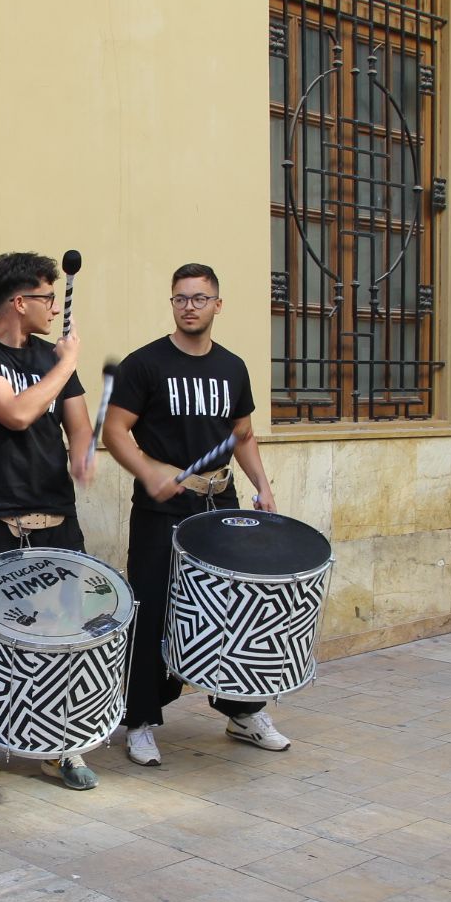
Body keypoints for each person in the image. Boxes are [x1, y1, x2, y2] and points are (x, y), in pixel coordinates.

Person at [101, 264, 286, 765]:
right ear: (173, 303)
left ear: (217, 305)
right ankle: (138, 719)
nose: (190, 306)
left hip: (219, 507)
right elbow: (114, 432)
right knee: (152, 608)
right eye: (181, 298)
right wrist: (148, 469)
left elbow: (242, 435)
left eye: (200, 298)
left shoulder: (233, 367)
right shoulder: (145, 364)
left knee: (234, 610)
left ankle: (242, 710)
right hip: (162, 511)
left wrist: (263, 487)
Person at [0, 252, 98, 795]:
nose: (54, 307)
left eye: (57, 297)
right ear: (19, 301)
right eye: (46, 297)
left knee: (64, 635)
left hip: (58, 520)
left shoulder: (52, 356)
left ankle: (61, 746)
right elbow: (15, 413)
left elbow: (77, 425)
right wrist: (65, 363)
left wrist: (82, 452)